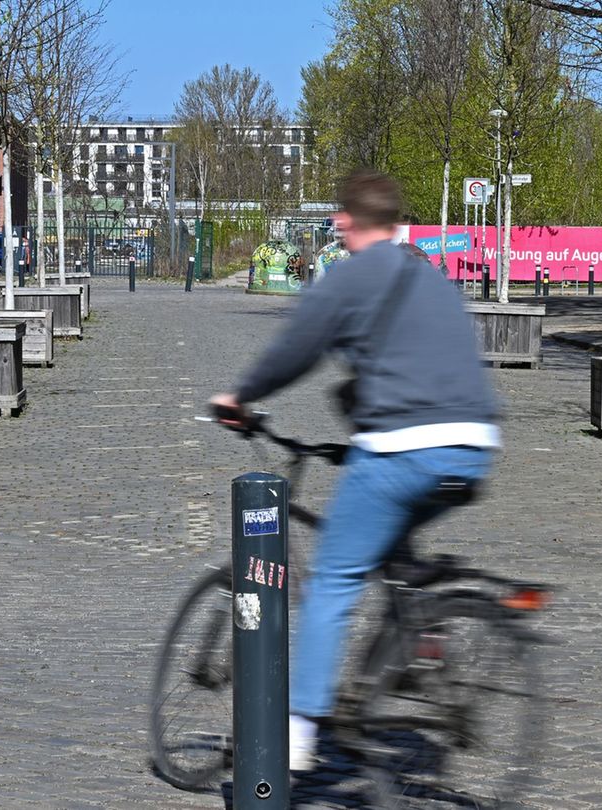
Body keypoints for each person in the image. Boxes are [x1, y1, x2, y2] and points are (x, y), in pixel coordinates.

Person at [210, 170, 501, 772]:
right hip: (473, 446)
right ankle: (420, 637)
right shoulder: (431, 276)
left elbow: (297, 347)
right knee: (396, 549)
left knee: (335, 580)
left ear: (344, 221)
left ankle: (295, 735)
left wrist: (240, 396)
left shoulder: (353, 274)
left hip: (404, 448)